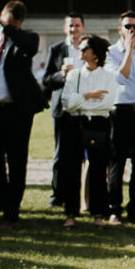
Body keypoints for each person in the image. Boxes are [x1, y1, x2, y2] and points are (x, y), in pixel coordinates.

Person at [0, 0, 47, 226]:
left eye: (10, 23)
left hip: (16, 112)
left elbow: (29, 49)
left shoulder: (27, 38)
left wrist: (8, 29)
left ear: (17, 23)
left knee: (16, 163)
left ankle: (11, 213)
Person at [59, 34, 117, 228]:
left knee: (99, 170)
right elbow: (67, 103)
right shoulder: (74, 75)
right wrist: (88, 96)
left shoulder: (108, 76)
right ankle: (70, 213)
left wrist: (80, 100)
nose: (81, 51)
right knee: (72, 169)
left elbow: (107, 103)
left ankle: (98, 213)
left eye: (84, 48)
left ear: (95, 53)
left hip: (99, 124)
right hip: (76, 123)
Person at [104, 10, 135, 223]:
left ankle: (134, 210)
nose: (132, 30)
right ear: (120, 29)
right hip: (121, 110)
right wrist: (129, 51)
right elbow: (120, 78)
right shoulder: (111, 52)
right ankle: (114, 209)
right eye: (128, 27)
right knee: (118, 162)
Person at [41, 13, 85, 208]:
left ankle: (78, 196)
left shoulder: (88, 48)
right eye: (70, 26)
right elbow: (46, 80)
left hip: (84, 107)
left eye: (77, 25)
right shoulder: (56, 49)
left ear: (83, 28)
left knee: (79, 155)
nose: (74, 29)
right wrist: (61, 74)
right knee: (61, 154)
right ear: (65, 28)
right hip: (62, 108)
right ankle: (57, 196)